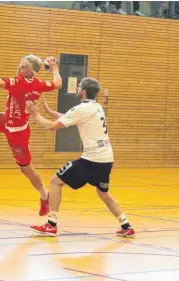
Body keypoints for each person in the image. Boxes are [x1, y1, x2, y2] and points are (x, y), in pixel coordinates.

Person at [28, 78, 135, 238]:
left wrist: (36, 115)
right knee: (103, 193)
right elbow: (72, 119)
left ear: (83, 91)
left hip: (91, 160)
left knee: (55, 181)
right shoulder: (96, 107)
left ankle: (51, 225)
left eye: (79, 87)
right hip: (106, 158)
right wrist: (49, 111)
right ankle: (126, 226)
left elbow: (52, 127)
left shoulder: (82, 108)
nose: (77, 89)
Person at [0, 52, 62, 216]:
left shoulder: (19, 82)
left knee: (27, 170)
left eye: (23, 66)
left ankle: (45, 198)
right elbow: (57, 84)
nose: (19, 67)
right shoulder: (39, 84)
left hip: (18, 135)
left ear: (29, 71)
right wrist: (54, 68)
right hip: (6, 121)